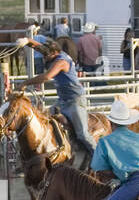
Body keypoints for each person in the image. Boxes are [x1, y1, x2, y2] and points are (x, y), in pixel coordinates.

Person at [20, 38, 96, 167]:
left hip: (75, 100)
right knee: (45, 120)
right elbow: (41, 48)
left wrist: (25, 83)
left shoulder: (61, 61)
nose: (45, 57)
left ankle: (100, 157)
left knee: (83, 134)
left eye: (47, 54)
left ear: (55, 52)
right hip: (63, 101)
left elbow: (47, 77)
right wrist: (27, 41)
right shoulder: (54, 54)